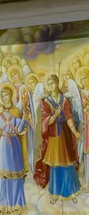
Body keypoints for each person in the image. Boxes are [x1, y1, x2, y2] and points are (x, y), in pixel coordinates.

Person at [34, 74, 81, 203]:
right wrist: (54, 115)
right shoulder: (46, 101)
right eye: (49, 84)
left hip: (64, 135)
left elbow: (69, 117)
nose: (51, 85)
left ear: (57, 83)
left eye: (53, 82)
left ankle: (70, 192)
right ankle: (54, 193)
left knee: (67, 163)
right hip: (53, 137)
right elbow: (45, 121)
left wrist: (75, 131)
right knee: (54, 164)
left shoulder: (65, 100)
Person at [0, 83, 29, 215]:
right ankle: (5, 204)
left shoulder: (16, 112)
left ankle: (16, 203)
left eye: (7, 95)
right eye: (3, 95)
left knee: (16, 174)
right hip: (3, 146)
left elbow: (19, 128)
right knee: (4, 175)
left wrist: (25, 117)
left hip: (15, 145)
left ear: (11, 96)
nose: (5, 97)